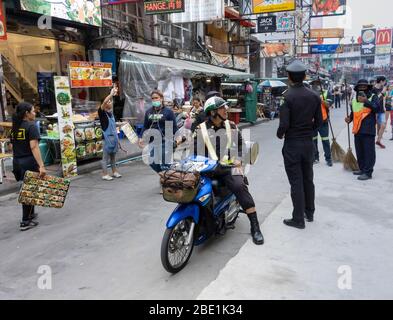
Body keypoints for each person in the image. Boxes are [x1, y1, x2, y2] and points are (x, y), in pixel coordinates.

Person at [193, 96, 264, 245]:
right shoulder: (201, 129)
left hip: (229, 168)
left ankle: (255, 226)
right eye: (222, 108)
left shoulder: (231, 126)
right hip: (207, 169)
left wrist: (239, 159)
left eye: (225, 107)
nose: (226, 110)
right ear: (212, 112)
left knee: (240, 186)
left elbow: (241, 146)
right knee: (195, 191)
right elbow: (194, 152)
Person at [277, 60, 323, 229]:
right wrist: (310, 133)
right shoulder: (314, 96)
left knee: (296, 181)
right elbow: (319, 121)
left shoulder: (287, 97)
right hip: (308, 144)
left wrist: (280, 134)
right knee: (308, 179)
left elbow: (284, 125)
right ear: (304, 76)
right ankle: (309, 212)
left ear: (289, 77)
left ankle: (298, 219)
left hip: (292, 145)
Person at [10, 102, 46, 231]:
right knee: (29, 191)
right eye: (33, 111)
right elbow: (34, 147)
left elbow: (11, 145)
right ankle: (25, 221)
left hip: (17, 162)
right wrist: (41, 165)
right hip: (28, 161)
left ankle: (30, 214)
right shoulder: (31, 127)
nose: (35, 113)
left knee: (29, 188)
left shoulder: (15, 127)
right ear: (27, 113)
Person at [138, 90, 179, 174]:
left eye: (156, 98)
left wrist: (178, 138)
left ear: (161, 99)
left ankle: (168, 179)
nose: (154, 100)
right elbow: (145, 126)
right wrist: (140, 137)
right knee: (152, 161)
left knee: (165, 164)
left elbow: (174, 128)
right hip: (153, 141)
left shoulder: (168, 112)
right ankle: (164, 175)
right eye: (153, 98)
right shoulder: (149, 112)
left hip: (165, 142)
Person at [345, 79, 379, 181]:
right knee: (359, 151)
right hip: (357, 130)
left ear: (368, 87)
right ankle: (362, 169)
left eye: (364, 87)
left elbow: (377, 108)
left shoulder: (373, 97)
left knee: (368, 152)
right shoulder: (354, 100)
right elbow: (354, 113)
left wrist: (366, 101)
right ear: (357, 88)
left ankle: (368, 172)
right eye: (360, 87)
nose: (362, 88)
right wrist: (349, 119)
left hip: (368, 130)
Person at [98, 86, 122, 181]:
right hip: (107, 140)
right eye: (108, 101)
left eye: (110, 101)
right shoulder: (102, 113)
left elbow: (113, 126)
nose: (110, 102)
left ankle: (114, 171)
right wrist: (111, 94)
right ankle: (104, 174)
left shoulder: (110, 114)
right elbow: (104, 103)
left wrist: (121, 124)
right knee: (105, 158)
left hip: (114, 139)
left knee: (113, 158)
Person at [310, 79, 333, 167]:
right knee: (313, 140)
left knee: (325, 140)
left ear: (321, 85)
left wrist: (320, 100)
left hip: (323, 121)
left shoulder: (326, 93)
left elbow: (328, 105)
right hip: (312, 122)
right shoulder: (310, 94)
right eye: (314, 84)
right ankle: (315, 158)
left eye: (318, 84)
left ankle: (328, 158)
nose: (316, 86)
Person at [374, 76, 388, 149]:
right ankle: (371, 140)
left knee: (383, 125)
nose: (385, 83)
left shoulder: (383, 88)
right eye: (384, 81)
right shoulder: (373, 89)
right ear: (381, 81)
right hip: (374, 110)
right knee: (373, 125)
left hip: (381, 110)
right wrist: (382, 93)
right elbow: (375, 99)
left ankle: (378, 141)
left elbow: (384, 98)